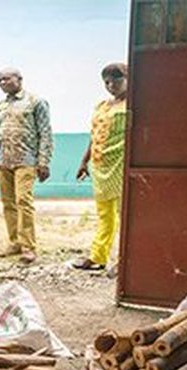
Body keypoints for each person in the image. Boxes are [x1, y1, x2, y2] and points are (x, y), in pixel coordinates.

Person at [0, 68, 53, 265]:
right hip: (4, 161)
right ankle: (14, 242)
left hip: (26, 160)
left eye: (6, 79)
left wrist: (43, 162)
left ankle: (28, 247)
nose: (2, 83)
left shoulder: (35, 102)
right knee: (8, 203)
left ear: (19, 79)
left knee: (23, 201)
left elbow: (45, 132)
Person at [72, 62, 129, 273]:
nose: (111, 84)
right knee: (104, 214)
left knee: (126, 215)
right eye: (106, 81)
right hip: (100, 165)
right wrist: (84, 161)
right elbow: (94, 135)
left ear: (128, 79)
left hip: (122, 165)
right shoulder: (102, 106)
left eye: (117, 79)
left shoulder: (134, 105)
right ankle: (98, 256)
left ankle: (125, 260)